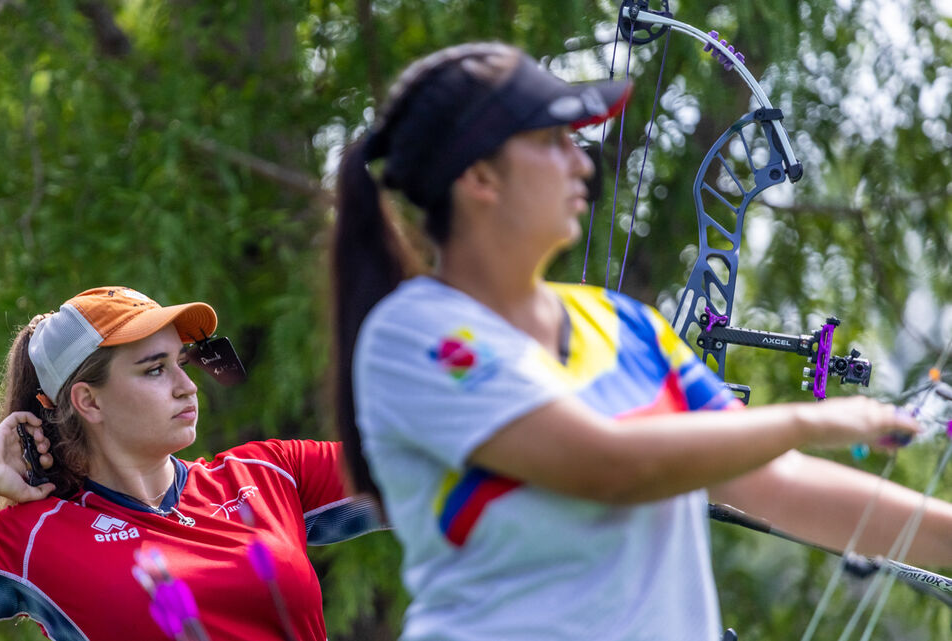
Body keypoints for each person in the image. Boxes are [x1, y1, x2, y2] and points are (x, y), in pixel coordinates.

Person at [329, 41, 952, 641]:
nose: (581, 162)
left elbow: (775, 483)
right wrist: (808, 421)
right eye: (552, 141)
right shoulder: (415, 334)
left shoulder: (625, 325)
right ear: (481, 177)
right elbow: (611, 465)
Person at [0, 286, 382, 641]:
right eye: (155, 369)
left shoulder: (268, 474)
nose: (188, 386)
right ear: (89, 401)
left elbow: (442, 465)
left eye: (181, 363)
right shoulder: (32, 539)